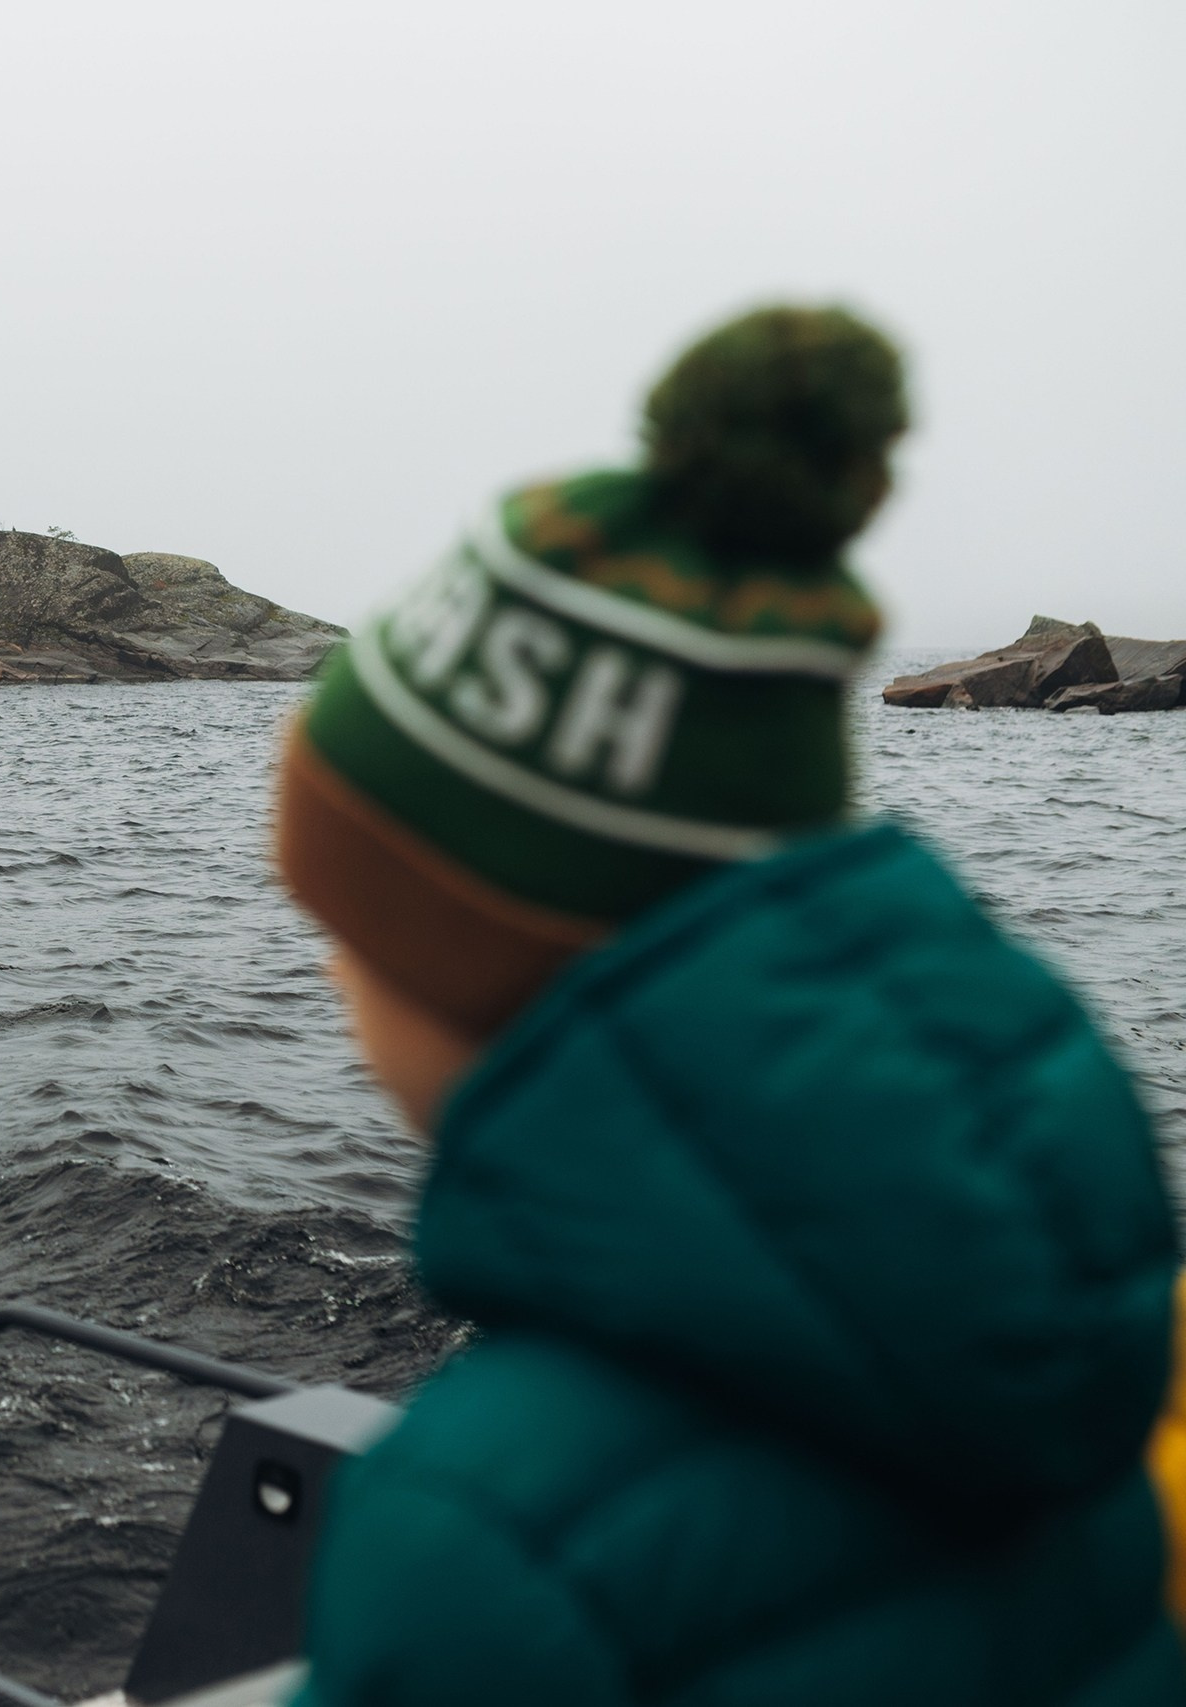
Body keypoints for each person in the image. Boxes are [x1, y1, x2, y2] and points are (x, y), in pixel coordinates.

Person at [272, 305, 1185, 1704]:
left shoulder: (480, 1529)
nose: (332, 971)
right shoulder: (1095, 1315)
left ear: (479, 973)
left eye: (353, 928)